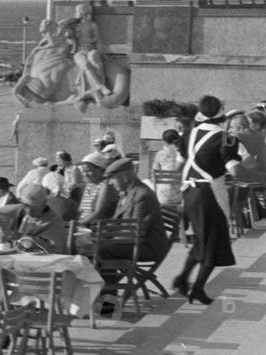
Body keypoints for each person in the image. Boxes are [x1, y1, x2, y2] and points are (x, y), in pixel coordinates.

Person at [173, 95, 242, 304]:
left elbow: (179, 163)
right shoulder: (227, 138)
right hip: (210, 193)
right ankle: (197, 288)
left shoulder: (188, 134)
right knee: (214, 242)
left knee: (202, 239)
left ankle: (183, 279)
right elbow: (234, 170)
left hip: (190, 192)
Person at [104, 158, 170, 263]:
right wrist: (98, 235)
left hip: (147, 246)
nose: (110, 183)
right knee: (89, 245)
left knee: (98, 249)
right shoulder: (127, 193)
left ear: (124, 177)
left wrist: (105, 239)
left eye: (112, 178)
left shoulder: (143, 195)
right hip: (132, 242)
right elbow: (116, 222)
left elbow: (135, 230)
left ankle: (105, 274)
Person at [0, 183, 66, 253]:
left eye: (34, 208)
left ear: (43, 205)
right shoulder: (19, 209)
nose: (28, 211)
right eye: (26, 206)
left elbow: (53, 248)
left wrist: (24, 240)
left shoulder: (53, 220)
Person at [77, 152, 119, 227]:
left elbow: (98, 213)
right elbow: (81, 210)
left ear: (100, 169)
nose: (85, 174)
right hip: (84, 225)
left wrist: (77, 225)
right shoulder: (89, 185)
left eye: (88, 171)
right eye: (83, 171)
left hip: (97, 228)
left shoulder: (105, 186)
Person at [154, 130, 185, 205]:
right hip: (179, 195)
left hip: (162, 195)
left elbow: (155, 174)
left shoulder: (160, 154)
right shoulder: (182, 153)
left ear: (163, 141)